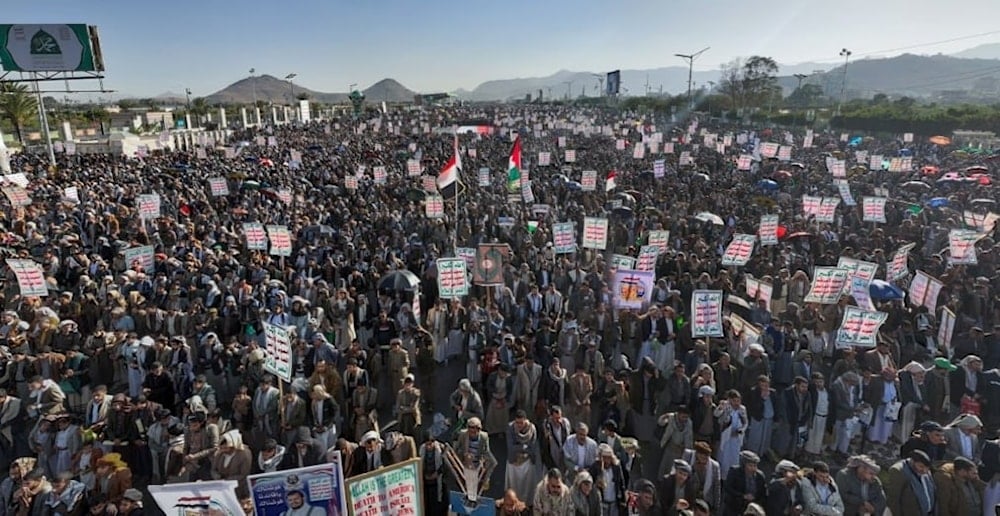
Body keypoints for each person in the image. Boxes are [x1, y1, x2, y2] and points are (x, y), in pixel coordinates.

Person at [505, 410, 542, 506]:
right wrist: (524, 447)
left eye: (521, 422)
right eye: (517, 422)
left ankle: (526, 504)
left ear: (525, 420)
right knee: (514, 484)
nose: (519, 425)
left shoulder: (532, 428)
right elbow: (511, 447)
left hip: (527, 462)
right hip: (514, 462)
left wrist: (521, 448)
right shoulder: (510, 428)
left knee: (527, 485)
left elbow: (532, 447)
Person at [886, 450, 936, 516]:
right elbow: (893, 500)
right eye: (921, 466)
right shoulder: (898, 471)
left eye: (927, 468)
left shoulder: (925, 471)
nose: (925, 471)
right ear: (912, 462)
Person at [714, 390, 747, 480]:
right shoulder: (726, 407)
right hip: (726, 437)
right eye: (735, 401)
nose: (737, 403)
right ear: (730, 400)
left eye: (738, 400)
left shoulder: (742, 409)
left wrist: (740, 431)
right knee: (724, 458)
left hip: (736, 438)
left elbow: (745, 423)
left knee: (735, 458)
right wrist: (721, 407)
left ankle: (732, 477)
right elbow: (716, 414)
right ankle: (721, 477)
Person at [722, 451, 766, 516]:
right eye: (750, 466)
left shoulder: (760, 476)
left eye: (755, 466)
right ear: (744, 465)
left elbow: (763, 493)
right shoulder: (734, 472)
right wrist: (743, 496)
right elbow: (728, 487)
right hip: (734, 507)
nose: (753, 469)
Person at [588, 444, 626, 516]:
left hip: (614, 502)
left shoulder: (616, 467)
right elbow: (590, 482)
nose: (606, 460)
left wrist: (623, 500)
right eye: (604, 458)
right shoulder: (595, 467)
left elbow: (621, 483)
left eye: (608, 458)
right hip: (602, 502)